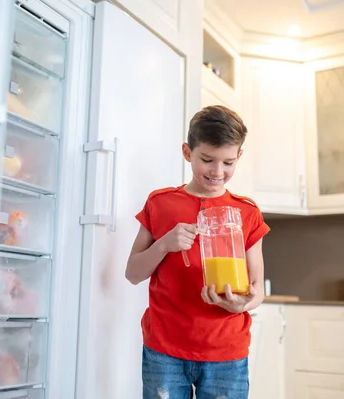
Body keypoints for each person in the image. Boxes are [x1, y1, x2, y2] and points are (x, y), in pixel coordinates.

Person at [125, 105, 270, 399]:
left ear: (239, 156)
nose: (218, 171)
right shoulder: (160, 203)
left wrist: (241, 305)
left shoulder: (247, 212)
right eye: (207, 159)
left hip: (225, 351)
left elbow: (257, 289)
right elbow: (132, 273)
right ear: (187, 152)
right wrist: (164, 243)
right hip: (164, 350)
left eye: (228, 162)